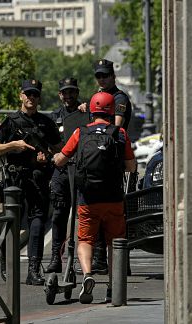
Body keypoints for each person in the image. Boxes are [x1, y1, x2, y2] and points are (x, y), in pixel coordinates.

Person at [53, 92, 136, 304]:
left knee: (85, 240)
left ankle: (88, 275)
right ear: (110, 112)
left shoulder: (81, 132)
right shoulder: (120, 133)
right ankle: (112, 286)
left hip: (88, 198)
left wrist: (55, 158)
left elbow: (62, 159)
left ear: (91, 110)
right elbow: (131, 166)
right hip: (114, 198)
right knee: (114, 242)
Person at [0, 79, 62, 286]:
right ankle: (6, 262)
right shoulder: (10, 122)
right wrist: (13, 145)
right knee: (11, 222)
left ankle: (33, 269)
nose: (31, 98)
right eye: (28, 94)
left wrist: (46, 157)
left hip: (38, 178)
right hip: (14, 179)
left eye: (35, 94)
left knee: (37, 222)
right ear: (21, 95)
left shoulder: (46, 123)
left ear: (39, 97)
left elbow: (60, 149)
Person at [78, 58, 134, 275]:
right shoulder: (98, 99)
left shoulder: (119, 98)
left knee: (115, 220)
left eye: (105, 75)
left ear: (113, 76)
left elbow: (116, 127)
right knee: (101, 217)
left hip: (113, 162)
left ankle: (119, 267)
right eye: (98, 76)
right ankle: (102, 262)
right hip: (99, 165)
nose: (101, 79)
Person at [44, 77, 83, 273]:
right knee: (59, 214)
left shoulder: (85, 114)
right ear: (60, 95)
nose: (68, 96)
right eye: (65, 92)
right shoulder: (53, 117)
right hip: (61, 171)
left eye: (72, 92)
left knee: (84, 215)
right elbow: (48, 143)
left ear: (77, 93)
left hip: (81, 170)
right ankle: (55, 259)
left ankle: (84, 260)